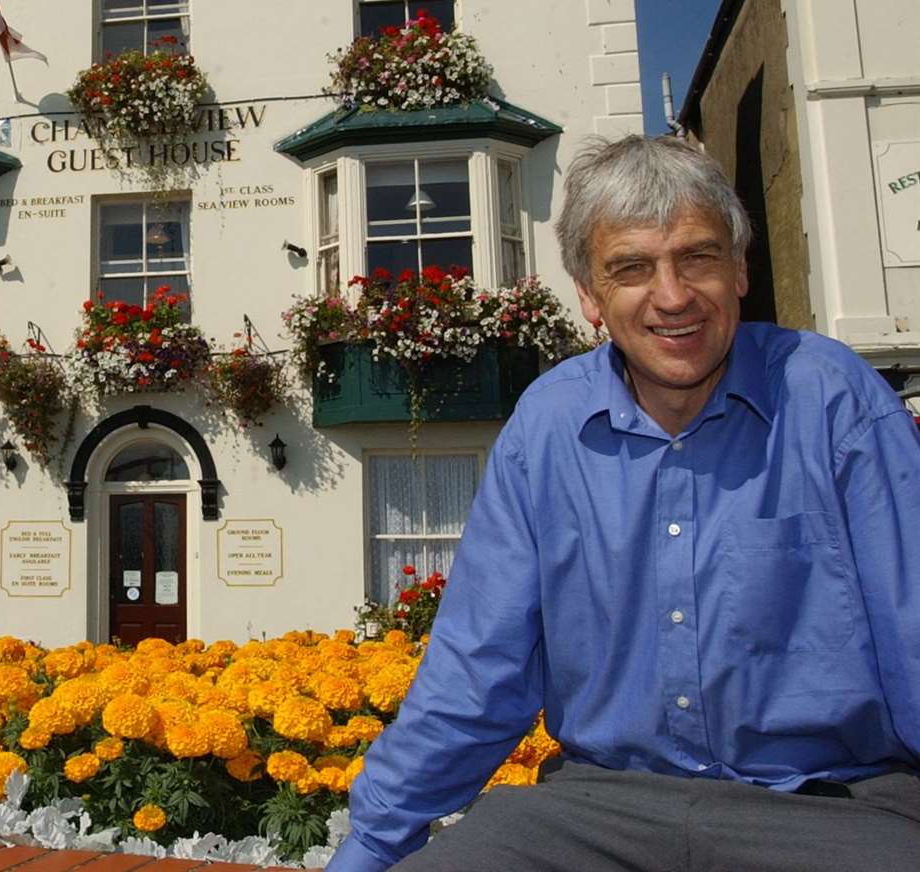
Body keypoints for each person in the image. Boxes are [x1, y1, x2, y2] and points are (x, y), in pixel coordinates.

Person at [327, 134, 920, 871]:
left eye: (698, 257)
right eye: (631, 268)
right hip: (598, 810)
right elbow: (478, 669)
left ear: (740, 269)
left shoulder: (832, 399)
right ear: (589, 295)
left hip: (824, 809)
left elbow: (913, 628)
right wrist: (372, 848)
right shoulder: (546, 427)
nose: (672, 296)